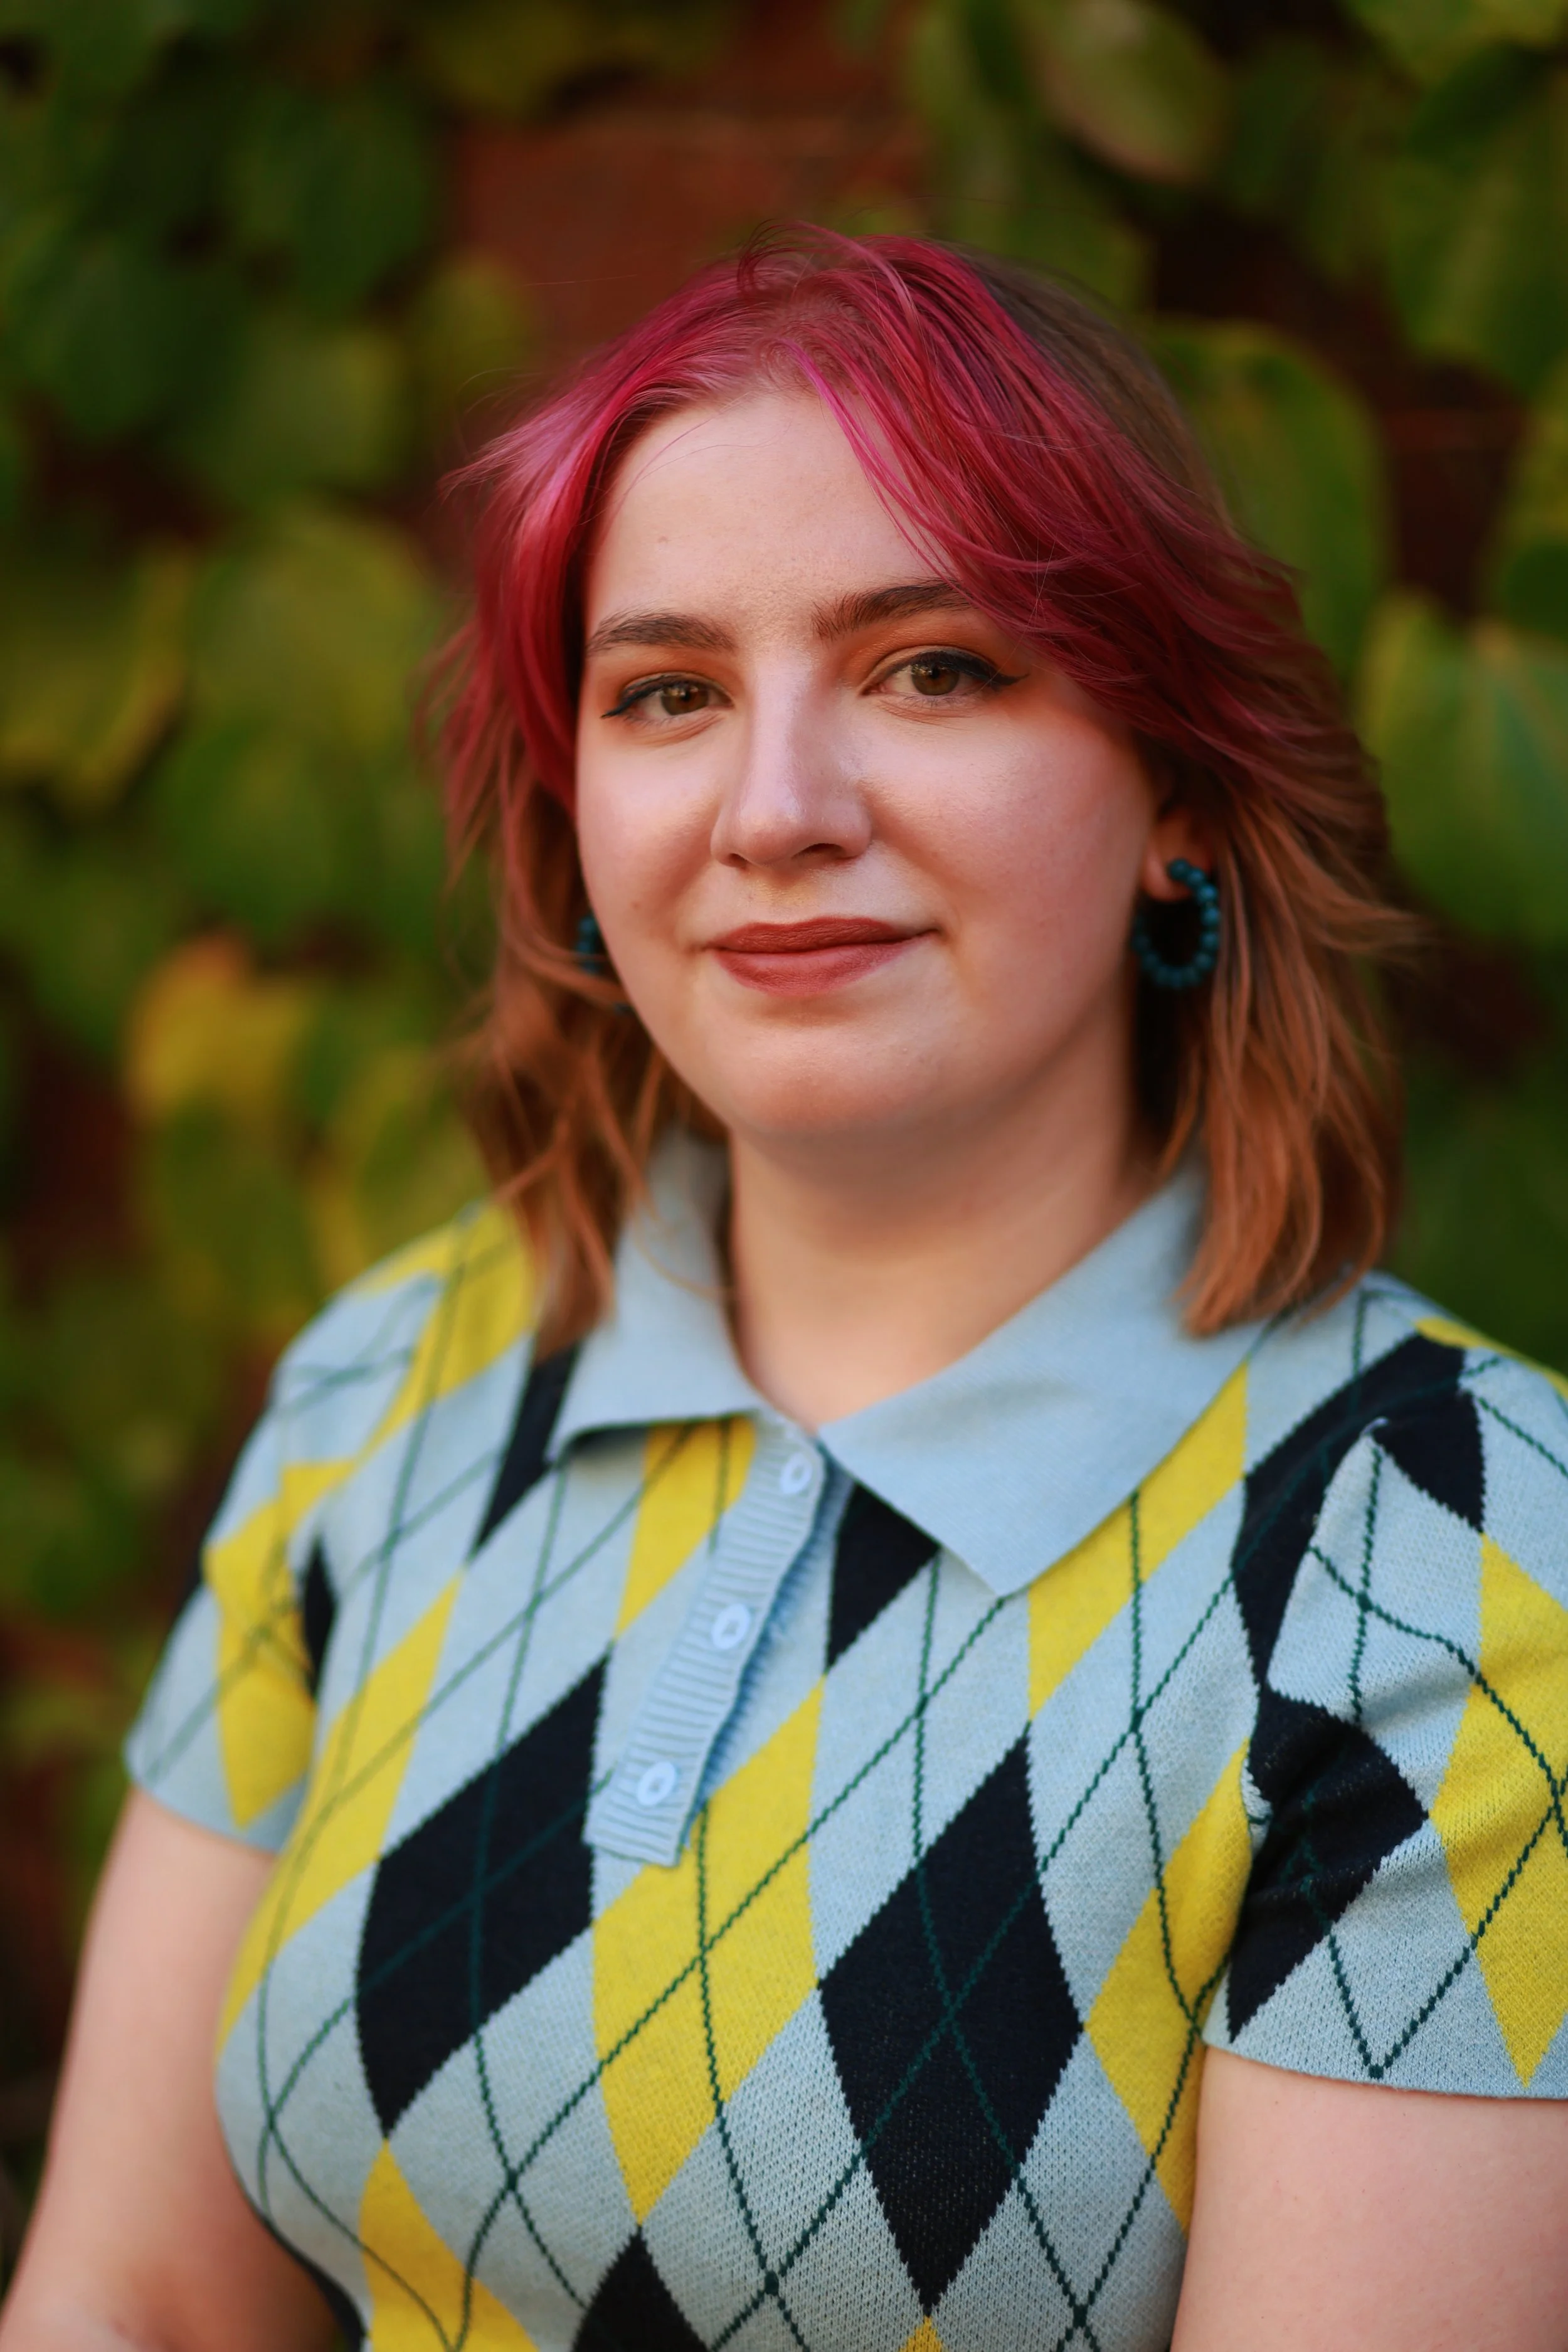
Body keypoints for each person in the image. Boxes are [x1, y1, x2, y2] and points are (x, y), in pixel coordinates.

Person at [4, 230, 1567, 2352]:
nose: (773, 810)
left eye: (933, 668)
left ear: (1175, 805)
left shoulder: (1451, 1556)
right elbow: (141, 2304)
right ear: (576, 826)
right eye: (668, 694)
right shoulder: (407, 1375)